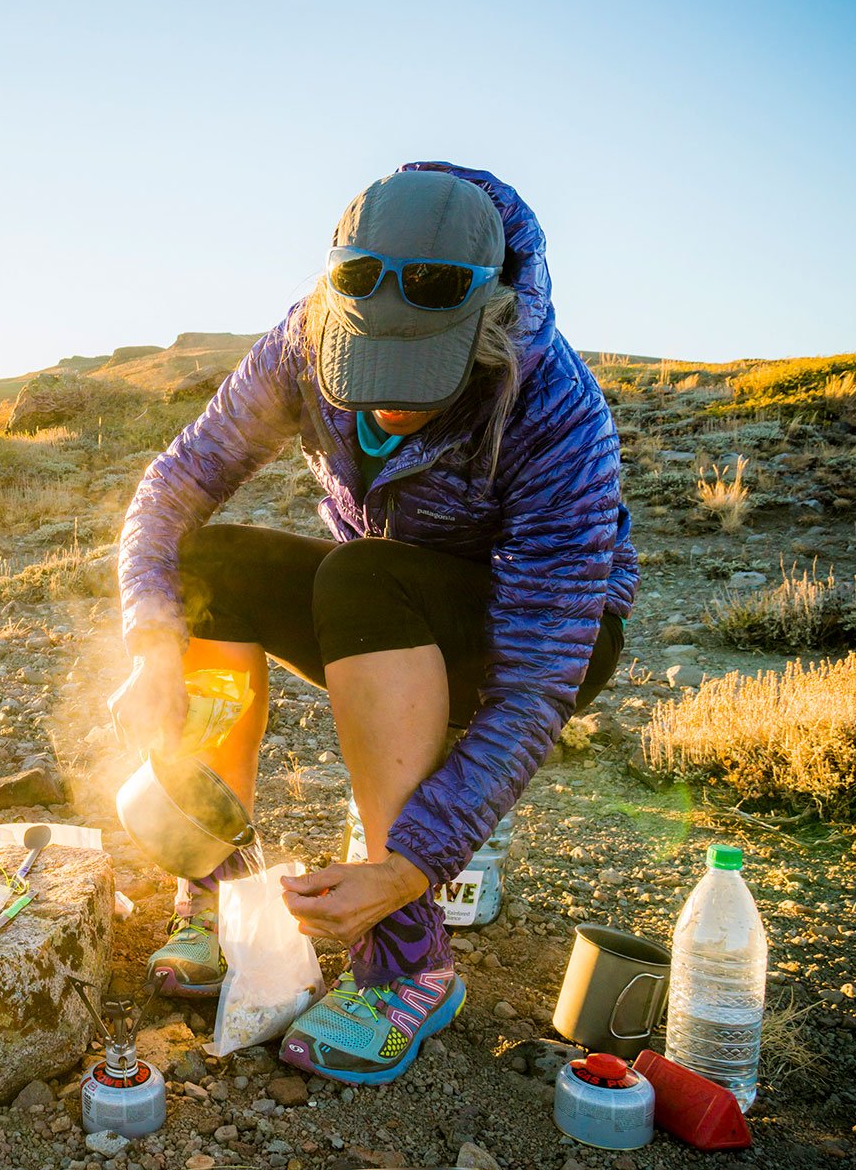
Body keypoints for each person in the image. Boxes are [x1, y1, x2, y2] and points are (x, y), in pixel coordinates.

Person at [110, 162, 637, 1084]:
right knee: (209, 570)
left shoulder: (556, 409)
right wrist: (155, 642)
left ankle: (407, 952)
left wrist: (408, 867)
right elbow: (174, 487)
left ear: (490, 326)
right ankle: (215, 886)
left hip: (541, 637)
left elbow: (534, 681)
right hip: (377, 608)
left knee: (364, 576)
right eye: (368, 372)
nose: (386, 401)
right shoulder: (302, 339)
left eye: (419, 376)